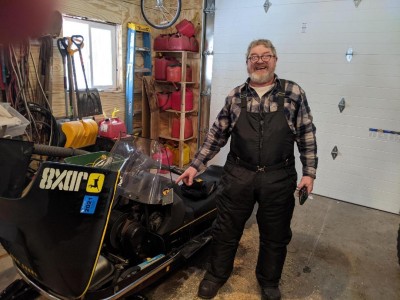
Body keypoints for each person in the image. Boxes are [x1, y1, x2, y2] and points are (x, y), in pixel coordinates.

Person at [176, 39, 318, 300]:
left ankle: (269, 281)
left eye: (266, 55)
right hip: (239, 174)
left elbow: (306, 133)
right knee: (226, 228)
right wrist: (195, 166)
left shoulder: (293, 93)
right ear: (247, 62)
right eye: (253, 56)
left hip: (278, 175)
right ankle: (216, 275)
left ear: (275, 59)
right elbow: (216, 134)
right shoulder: (235, 96)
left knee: (275, 234)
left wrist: (309, 172)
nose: (260, 60)